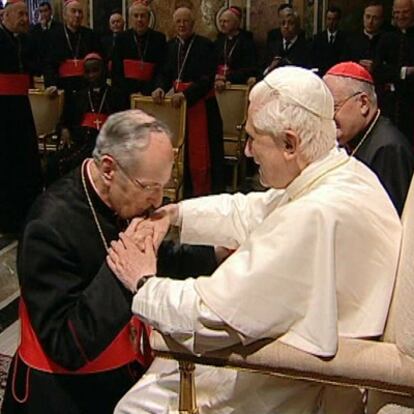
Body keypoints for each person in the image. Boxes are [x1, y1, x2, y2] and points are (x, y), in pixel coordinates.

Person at [111, 66, 402, 413]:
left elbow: (208, 315)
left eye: (252, 138)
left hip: (285, 381)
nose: (246, 151)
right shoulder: (341, 172)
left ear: (290, 143)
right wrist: (175, 216)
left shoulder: (313, 215)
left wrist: (143, 281)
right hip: (297, 355)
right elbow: (253, 210)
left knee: (136, 406)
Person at [2, 109, 219, 414]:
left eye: (164, 187)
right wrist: (125, 274)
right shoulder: (49, 225)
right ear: (108, 169)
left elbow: (150, 255)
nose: (157, 202)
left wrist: (215, 255)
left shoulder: (119, 197)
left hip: (121, 373)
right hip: (62, 395)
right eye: (150, 187)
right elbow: (65, 345)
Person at [324, 61, 414, 215]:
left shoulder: (389, 149)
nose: (328, 117)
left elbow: (391, 218)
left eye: (333, 107)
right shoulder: (349, 140)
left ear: (364, 104)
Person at [152, 6, 224, 196]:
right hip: (179, 108)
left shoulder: (205, 45)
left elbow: (207, 78)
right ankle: (185, 192)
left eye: (186, 21)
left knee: (204, 154)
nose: (182, 25)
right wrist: (159, 87)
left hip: (201, 105)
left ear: (193, 24)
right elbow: (164, 73)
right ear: (174, 24)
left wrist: (187, 94)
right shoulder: (170, 46)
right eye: (178, 21)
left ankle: (206, 194)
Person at [46, 52, 127, 184]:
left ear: (104, 70)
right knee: (54, 164)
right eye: (88, 72)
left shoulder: (116, 95)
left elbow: (124, 125)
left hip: (106, 146)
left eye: (96, 70)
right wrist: (64, 129)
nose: (92, 75)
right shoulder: (78, 96)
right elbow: (65, 120)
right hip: (81, 143)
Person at [0, 0, 43, 235]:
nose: (24, 18)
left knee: (26, 158)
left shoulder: (26, 40)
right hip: (2, 109)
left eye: (26, 14)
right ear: (4, 16)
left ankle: (27, 213)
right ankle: (7, 219)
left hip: (21, 106)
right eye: (19, 14)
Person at [43, 0, 102, 109]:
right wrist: (51, 84)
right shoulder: (53, 36)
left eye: (80, 12)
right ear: (65, 15)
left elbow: (98, 62)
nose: (77, 15)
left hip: (86, 88)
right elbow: (48, 64)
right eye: (73, 11)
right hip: (63, 88)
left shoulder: (91, 35)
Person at [373, 0, 414, 142]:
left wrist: (391, 72)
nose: (400, 16)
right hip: (389, 105)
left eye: (405, 12)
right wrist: (404, 72)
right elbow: (377, 70)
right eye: (397, 12)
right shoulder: (386, 37)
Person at [111, 0, 166, 100]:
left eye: (143, 16)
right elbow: (116, 72)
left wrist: (158, 87)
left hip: (151, 96)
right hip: (126, 96)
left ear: (149, 18)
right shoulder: (121, 39)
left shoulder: (159, 39)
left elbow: (161, 69)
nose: (139, 19)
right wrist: (130, 93)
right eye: (136, 16)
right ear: (130, 19)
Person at [214, 6, 257, 92]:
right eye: (220, 21)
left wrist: (227, 78)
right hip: (218, 83)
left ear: (235, 23)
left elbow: (249, 69)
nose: (222, 24)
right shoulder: (219, 41)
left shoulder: (246, 42)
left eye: (225, 21)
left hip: (237, 85)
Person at [263, 8, 310, 76]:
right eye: (283, 23)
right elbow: (261, 69)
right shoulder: (272, 46)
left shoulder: (306, 48)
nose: (286, 26)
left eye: (290, 23)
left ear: (297, 26)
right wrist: (269, 68)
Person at [343, 1, 386, 74]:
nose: (370, 22)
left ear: (381, 20)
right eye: (368, 17)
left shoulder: (387, 40)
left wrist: (376, 68)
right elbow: (343, 64)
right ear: (363, 16)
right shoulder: (351, 39)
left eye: (375, 18)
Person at [311, 6, 348, 76]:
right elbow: (314, 58)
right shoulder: (318, 38)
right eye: (329, 19)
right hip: (322, 74)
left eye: (334, 19)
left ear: (339, 20)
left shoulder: (345, 39)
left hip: (338, 74)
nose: (331, 22)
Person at [29, 2, 62, 74]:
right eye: (41, 11)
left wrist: (45, 29)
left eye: (45, 11)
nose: (43, 14)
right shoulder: (35, 29)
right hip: (40, 66)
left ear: (50, 11)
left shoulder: (59, 27)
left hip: (55, 65)